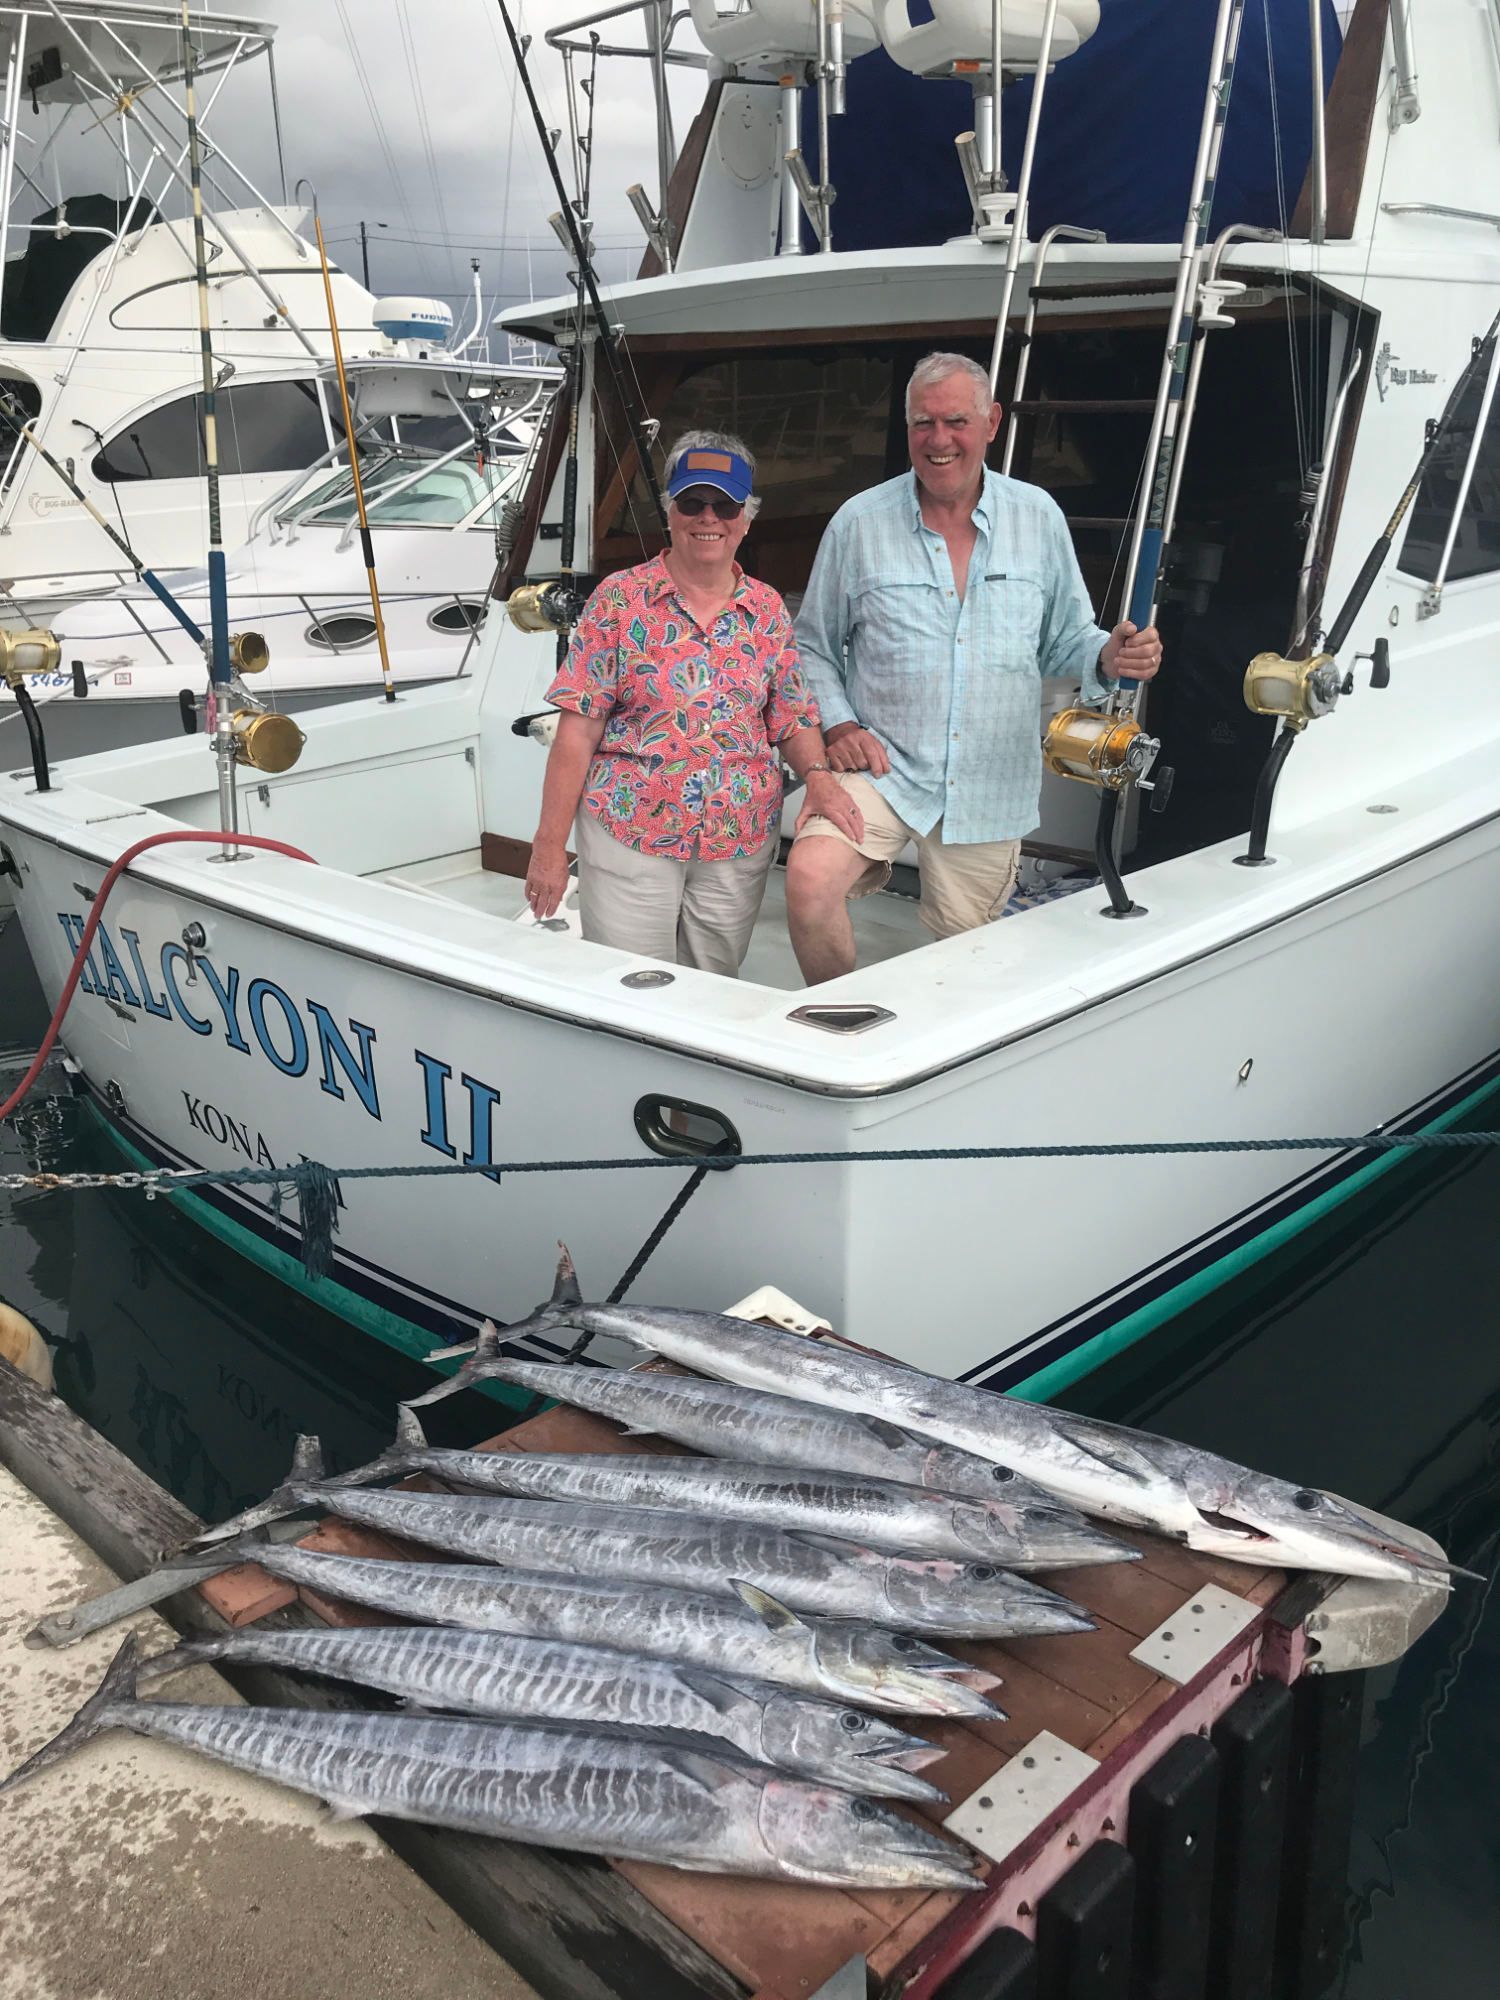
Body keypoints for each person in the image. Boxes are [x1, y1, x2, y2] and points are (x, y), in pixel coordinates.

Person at [786, 351, 1162, 983]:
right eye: (922, 424)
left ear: (990, 423)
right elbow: (811, 646)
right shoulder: (858, 522)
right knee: (807, 879)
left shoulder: (1038, 516)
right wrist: (840, 725)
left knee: (968, 962)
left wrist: (1108, 654)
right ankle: (837, 1020)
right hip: (885, 765)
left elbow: (1066, 637)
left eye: (956, 421)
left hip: (987, 783)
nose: (939, 441)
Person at [525, 430, 862, 975]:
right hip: (628, 834)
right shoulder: (618, 600)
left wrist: (819, 777)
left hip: (738, 839)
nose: (708, 517)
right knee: (630, 990)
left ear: (746, 519)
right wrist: (547, 849)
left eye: (724, 505)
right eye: (692, 502)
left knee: (714, 989)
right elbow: (576, 733)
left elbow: (793, 715)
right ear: (671, 513)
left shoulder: (768, 609)